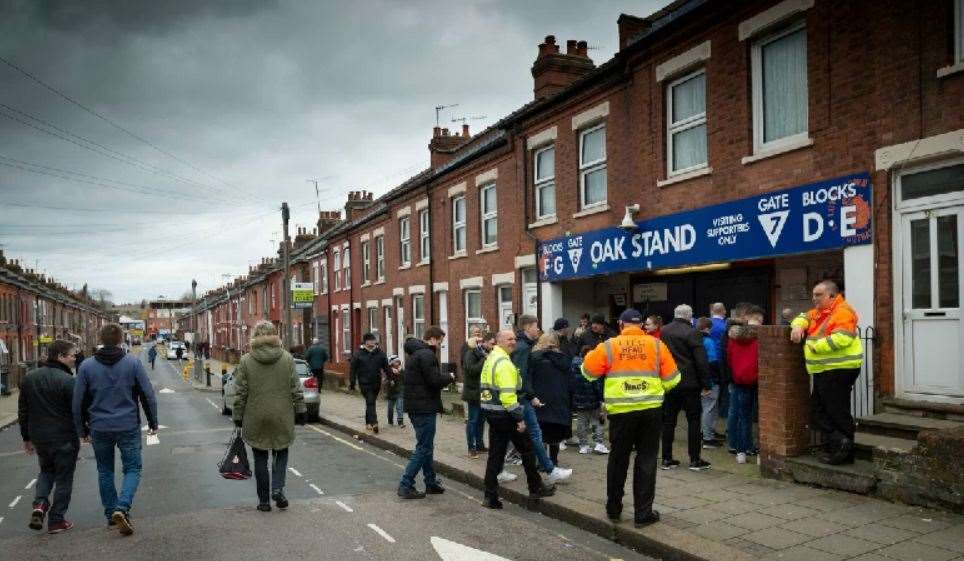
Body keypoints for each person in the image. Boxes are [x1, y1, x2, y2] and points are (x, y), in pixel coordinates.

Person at [582, 308, 680, 527]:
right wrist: (655, 387)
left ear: (621, 325)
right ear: (642, 326)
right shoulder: (656, 345)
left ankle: (614, 509)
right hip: (650, 412)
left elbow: (588, 372)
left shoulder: (609, 346)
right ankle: (643, 514)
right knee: (646, 460)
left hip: (621, 414)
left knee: (618, 460)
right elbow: (673, 379)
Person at [73, 324, 158, 535]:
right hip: (128, 425)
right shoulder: (132, 363)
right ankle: (123, 506)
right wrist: (153, 422)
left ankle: (112, 513)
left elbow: (78, 402)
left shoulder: (86, 366)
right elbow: (147, 395)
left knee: (105, 471)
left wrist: (81, 430)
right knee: (132, 468)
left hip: (99, 427)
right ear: (121, 340)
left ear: (100, 339)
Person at [232, 320, 306, 512]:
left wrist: (238, 416)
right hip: (282, 416)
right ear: (275, 335)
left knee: (260, 459)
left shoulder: (246, 360)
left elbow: (240, 392)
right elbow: (296, 388)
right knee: (281, 453)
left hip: (255, 417)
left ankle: (264, 501)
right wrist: (301, 410)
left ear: (255, 336)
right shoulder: (287, 358)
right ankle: (278, 489)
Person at [480, 330, 556, 509]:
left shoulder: (492, 358)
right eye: (509, 339)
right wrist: (519, 419)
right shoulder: (504, 363)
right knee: (527, 450)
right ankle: (535, 488)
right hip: (506, 414)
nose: (513, 342)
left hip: (492, 413)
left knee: (495, 456)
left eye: (514, 338)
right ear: (499, 342)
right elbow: (508, 397)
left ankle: (489, 496)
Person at [791, 280, 863, 465]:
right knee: (823, 410)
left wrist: (814, 347)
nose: (814, 298)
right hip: (826, 370)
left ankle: (842, 448)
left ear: (831, 296)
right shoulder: (821, 312)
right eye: (814, 294)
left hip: (839, 369)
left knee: (834, 411)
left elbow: (842, 338)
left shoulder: (843, 311)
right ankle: (841, 447)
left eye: (818, 295)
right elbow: (803, 316)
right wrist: (798, 326)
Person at [19, 340, 79, 534]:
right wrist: (84, 431)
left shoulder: (29, 378)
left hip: (40, 438)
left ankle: (40, 505)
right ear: (60, 356)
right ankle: (56, 520)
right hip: (64, 438)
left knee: (46, 472)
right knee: (63, 479)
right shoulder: (68, 380)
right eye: (71, 355)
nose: (74, 358)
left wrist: (26, 438)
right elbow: (76, 411)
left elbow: (23, 410)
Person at [513, 315, 571, 484]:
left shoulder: (533, 354)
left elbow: (525, 377)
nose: (537, 329)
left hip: (534, 399)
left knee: (536, 435)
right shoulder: (561, 358)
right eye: (535, 326)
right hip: (551, 400)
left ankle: (543, 469)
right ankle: (549, 466)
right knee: (542, 435)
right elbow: (522, 377)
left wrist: (531, 395)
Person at [398, 326, 454, 499]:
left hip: (416, 407)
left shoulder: (414, 354)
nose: (440, 345)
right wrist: (450, 377)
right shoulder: (427, 355)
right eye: (440, 341)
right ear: (432, 339)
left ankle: (430, 482)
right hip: (424, 407)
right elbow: (434, 380)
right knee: (423, 447)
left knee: (426, 446)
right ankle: (406, 484)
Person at [659, 304, 712, 471]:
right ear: (690, 316)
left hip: (669, 382)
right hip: (690, 384)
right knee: (694, 420)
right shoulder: (693, 332)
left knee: (669, 421)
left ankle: (666, 458)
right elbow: (701, 360)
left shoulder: (664, 331)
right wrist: (706, 383)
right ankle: (694, 460)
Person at [529, 332, 575, 467]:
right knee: (555, 435)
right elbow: (571, 383)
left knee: (539, 433)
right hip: (559, 401)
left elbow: (529, 380)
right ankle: (553, 461)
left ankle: (542, 462)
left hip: (539, 400)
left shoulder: (534, 358)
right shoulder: (564, 359)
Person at [727, 306, 764, 464]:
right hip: (759, 381)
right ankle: (760, 455)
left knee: (744, 417)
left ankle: (741, 452)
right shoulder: (761, 338)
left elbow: (729, 358)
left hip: (739, 381)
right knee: (763, 418)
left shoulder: (733, 338)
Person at [462, 330, 493, 458]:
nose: (493, 346)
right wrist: (484, 360)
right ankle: (471, 447)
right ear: (484, 343)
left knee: (482, 419)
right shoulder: (471, 353)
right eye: (491, 344)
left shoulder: (487, 353)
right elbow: (471, 370)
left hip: (485, 391)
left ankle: (480, 445)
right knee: (473, 420)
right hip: (473, 391)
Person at [350, 333, 390, 433]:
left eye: (374, 340)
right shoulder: (358, 353)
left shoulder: (380, 353)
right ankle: (374, 423)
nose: (373, 342)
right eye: (371, 340)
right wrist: (352, 383)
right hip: (364, 382)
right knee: (370, 401)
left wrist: (391, 378)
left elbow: (386, 367)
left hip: (376, 382)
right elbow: (353, 369)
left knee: (370, 402)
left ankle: (368, 423)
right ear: (366, 342)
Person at [571, 345, 607, 454]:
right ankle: (599, 443)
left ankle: (583, 445)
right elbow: (597, 385)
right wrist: (602, 399)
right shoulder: (593, 367)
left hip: (579, 401)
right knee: (599, 420)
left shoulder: (573, 366)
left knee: (581, 423)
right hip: (594, 400)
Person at [696, 317, 723, 449]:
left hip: (698, 379)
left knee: (706, 408)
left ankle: (707, 432)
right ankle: (708, 438)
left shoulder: (694, 340)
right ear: (707, 328)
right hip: (710, 380)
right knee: (709, 408)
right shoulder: (708, 341)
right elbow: (712, 362)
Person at [708, 303, 728, 419]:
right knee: (723, 388)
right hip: (721, 360)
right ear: (723, 311)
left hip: (707, 360)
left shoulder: (706, 324)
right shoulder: (724, 326)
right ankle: (722, 412)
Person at [384, 355, 405, 428]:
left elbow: (405, 379)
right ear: (391, 363)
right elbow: (385, 381)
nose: (398, 363)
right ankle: (390, 421)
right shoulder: (388, 371)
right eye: (396, 362)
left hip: (400, 391)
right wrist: (390, 381)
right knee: (390, 408)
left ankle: (400, 422)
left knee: (400, 406)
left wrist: (400, 373)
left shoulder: (401, 370)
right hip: (391, 392)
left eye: (398, 362)